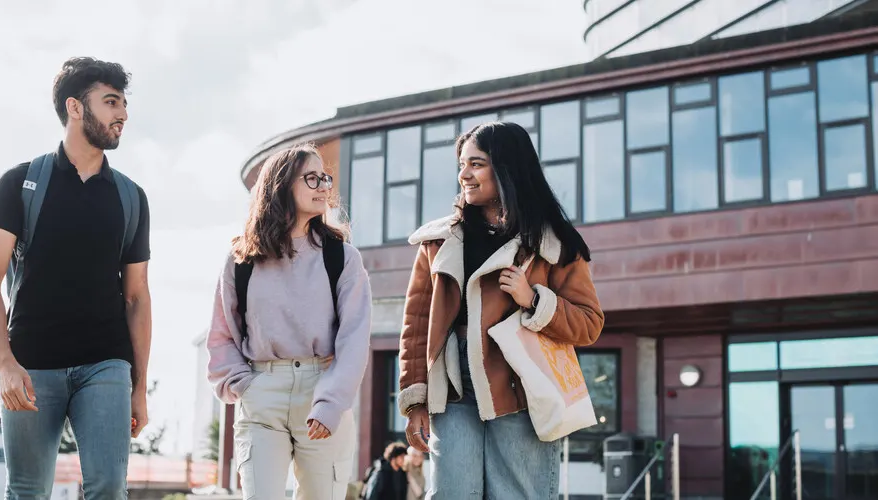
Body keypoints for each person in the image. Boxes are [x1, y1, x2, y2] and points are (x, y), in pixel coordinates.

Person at [397, 121, 605, 499]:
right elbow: (415, 325)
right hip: (454, 385)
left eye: (476, 164)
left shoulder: (553, 242)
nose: (464, 175)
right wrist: (415, 399)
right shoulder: (437, 241)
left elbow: (589, 324)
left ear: (507, 168)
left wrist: (535, 301)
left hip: (522, 386)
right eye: (461, 165)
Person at [0, 57, 151, 499]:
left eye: (124, 103)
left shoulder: (131, 197)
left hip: (106, 364)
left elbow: (137, 299)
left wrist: (139, 387)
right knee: (30, 490)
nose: (122, 114)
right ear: (75, 108)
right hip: (32, 364)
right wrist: (4, 363)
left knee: (110, 486)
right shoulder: (19, 185)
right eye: (111, 101)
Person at [206, 144, 372, 500]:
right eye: (311, 178)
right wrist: (244, 385)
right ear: (280, 184)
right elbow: (222, 335)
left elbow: (355, 339)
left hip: (323, 391)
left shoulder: (341, 257)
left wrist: (330, 403)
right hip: (262, 391)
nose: (323, 186)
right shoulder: (241, 259)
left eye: (325, 178)